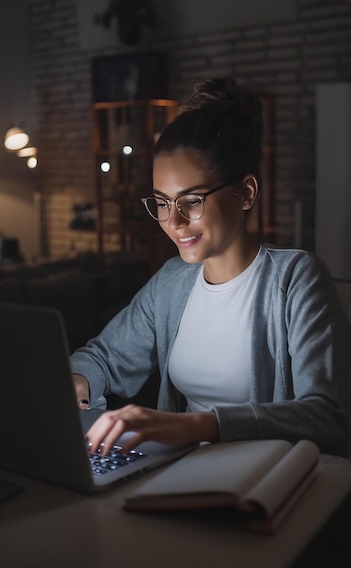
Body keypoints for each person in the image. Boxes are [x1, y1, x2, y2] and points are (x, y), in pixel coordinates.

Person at [71, 77, 351, 458]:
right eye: (162, 203)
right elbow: (103, 356)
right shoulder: (172, 281)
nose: (174, 221)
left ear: (246, 192)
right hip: (178, 470)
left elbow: (328, 416)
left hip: (263, 481)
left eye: (192, 201)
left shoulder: (295, 278)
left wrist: (196, 426)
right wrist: (78, 380)